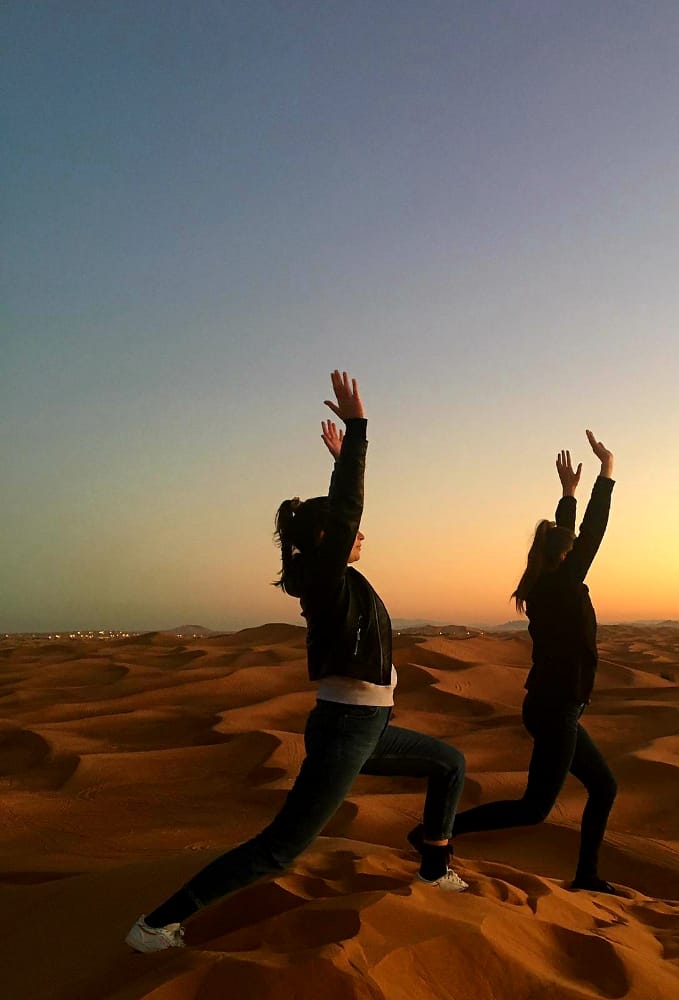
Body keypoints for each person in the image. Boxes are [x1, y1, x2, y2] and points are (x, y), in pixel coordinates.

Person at [126, 370, 468, 953]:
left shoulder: (333, 577)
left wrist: (337, 467)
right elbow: (343, 516)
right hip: (346, 730)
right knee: (282, 847)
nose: (359, 533)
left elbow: (336, 519)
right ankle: (155, 925)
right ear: (325, 537)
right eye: (347, 529)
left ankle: (433, 869)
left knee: (449, 764)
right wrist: (357, 433)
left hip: (368, 727)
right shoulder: (326, 581)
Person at [448, 431, 619, 893]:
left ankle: (587, 876)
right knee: (534, 809)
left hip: (558, 706)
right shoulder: (561, 585)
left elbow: (570, 538)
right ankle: (440, 832)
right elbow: (593, 534)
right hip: (555, 707)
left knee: (603, 787)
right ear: (565, 558)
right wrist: (606, 473)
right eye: (571, 552)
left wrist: (567, 496)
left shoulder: (548, 581)